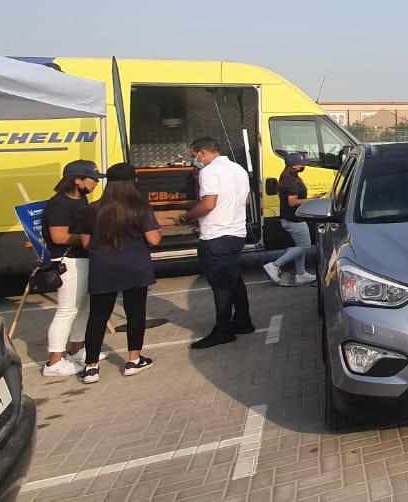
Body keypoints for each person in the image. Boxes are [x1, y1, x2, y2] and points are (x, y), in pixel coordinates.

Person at [79, 163, 162, 383]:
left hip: (103, 268)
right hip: (135, 267)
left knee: (97, 317)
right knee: (135, 313)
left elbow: (85, 243)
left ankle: (91, 366)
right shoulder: (140, 207)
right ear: (133, 181)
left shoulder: (93, 208)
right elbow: (153, 239)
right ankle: (134, 360)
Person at [180, 137, 255, 349]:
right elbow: (246, 200)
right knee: (234, 280)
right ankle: (243, 321)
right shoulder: (238, 169)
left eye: (194, 156)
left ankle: (222, 330)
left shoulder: (209, 172)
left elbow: (208, 203)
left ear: (202, 152)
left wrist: (187, 216)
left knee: (221, 285)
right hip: (236, 233)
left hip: (215, 236)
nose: (195, 161)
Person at [40, 160, 103, 378]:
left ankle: (77, 350)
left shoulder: (81, 200)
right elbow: (58, 236)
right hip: (68, 261)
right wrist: (89, 238)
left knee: (82, 308)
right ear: (77, 180)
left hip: (83, 259)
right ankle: (54, 361)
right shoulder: (59, 204)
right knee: (67, 310)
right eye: (92, 179)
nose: (95, 183)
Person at [264, 152, 317, 286]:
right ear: (293, 166)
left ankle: (301, 274)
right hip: (294, 219)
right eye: (301, 164)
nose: (303, 166)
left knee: (300, 246)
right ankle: (275, 265)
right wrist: (310, 200)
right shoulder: (290, 182)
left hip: (292, 218)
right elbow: (292, 202)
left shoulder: (289, 178)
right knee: (305, 245)